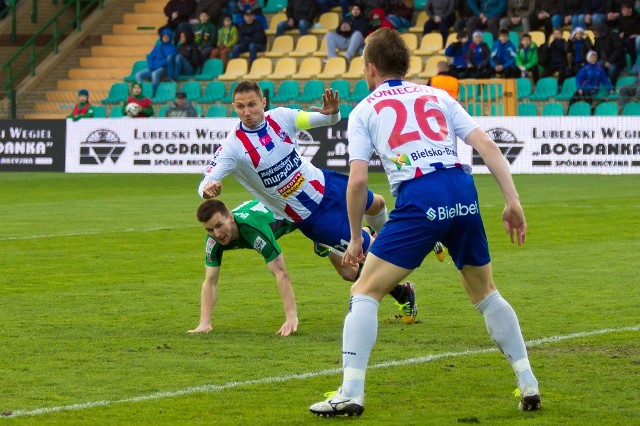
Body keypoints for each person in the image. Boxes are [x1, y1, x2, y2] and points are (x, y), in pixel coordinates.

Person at [309, 27, 540, 417]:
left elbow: (359, 182)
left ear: (370, 69)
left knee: (364, 291)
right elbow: (487, 145)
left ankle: (350, 392)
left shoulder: (365, 109)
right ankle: (528, 381)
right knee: (486, 294)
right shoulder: (438, 95)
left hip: (420, 194)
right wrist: (512, 201)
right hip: (461, 189)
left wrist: (353, 238)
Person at [197, 80, 421, 324]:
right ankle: (403, 288)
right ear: (234, 107)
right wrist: (208, 190)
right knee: (367, 256)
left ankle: (386, 232)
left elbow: (326, 120)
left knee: (375, 203)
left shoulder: (281, 117)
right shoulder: (233, 146)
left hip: (326, 183)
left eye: (252, 104)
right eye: (240, 107)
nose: (247, 111)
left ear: (263, 102)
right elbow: (207, 180)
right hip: (311, 217)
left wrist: (332, 112)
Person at [188, 199, 299, 336]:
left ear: (230, 218)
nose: (217, 234)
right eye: (210, 229)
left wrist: (291, 316)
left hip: (295, 212)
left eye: (219, 225)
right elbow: (210, 281)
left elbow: (281, 273)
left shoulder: (253, 229)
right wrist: (204, 323)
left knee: (331, 245)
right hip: (264, 207)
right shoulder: (212, 241)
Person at [136, 28, 177, 97]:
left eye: (167, 36)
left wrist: (156, 66)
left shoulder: (172, 48)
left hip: (163, 68)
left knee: (154, 74)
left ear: (170, 38)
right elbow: (150, 57)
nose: (165, 38)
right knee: (138, 75)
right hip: (153, 67)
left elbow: (168, 60)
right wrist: (151, 65)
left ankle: (154, 92)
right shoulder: (157, 47)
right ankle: (144, 90)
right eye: (164, 36)